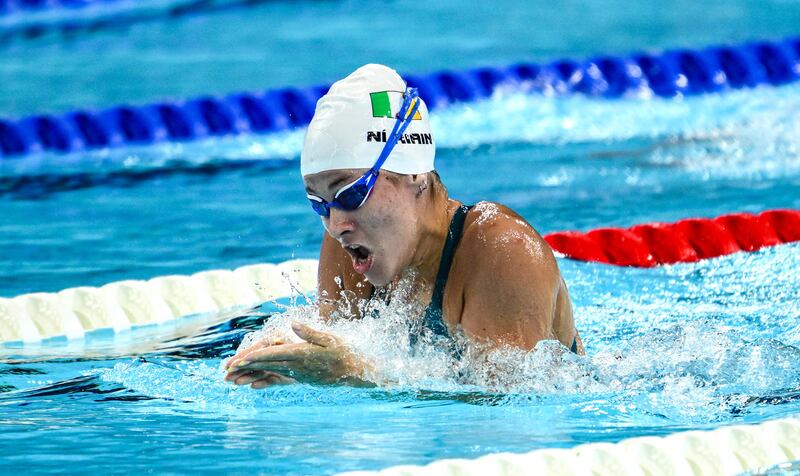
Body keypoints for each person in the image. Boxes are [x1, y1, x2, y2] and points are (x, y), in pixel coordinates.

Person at [224, 64, 582, 389]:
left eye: (350, 194)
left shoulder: (504, 252)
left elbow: (508, 411)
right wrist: (295, 368)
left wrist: (355, 375)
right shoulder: (349, 245)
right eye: (319, 203)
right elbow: (340, 358)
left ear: (412, 171)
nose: (336, 225)